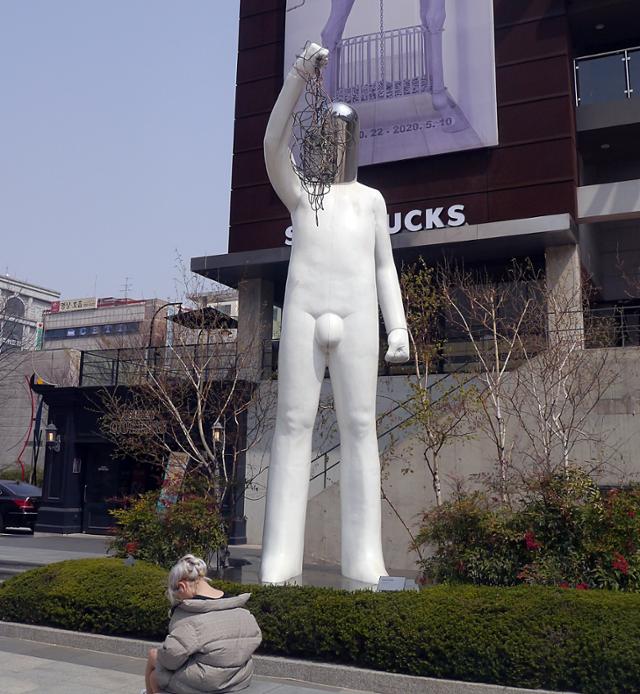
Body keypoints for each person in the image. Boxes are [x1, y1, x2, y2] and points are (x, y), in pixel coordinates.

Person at [260, 42, 410, 586]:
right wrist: (300, 75)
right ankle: (279, 556)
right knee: (292, 425)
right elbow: (272, 141)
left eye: (341, 135)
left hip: (355, 315)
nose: (332, 141)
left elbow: (383, 269)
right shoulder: (303, 193)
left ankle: (364, 557)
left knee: (361, 426)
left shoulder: (371, 200)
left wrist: (397, 325)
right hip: (304, 312)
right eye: (325, 134)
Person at [143, 554, 262, 694]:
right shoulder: (242, 611)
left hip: (208, 682)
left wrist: (158, 656)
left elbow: (171, 658)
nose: (179, 600)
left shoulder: (192, 620)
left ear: (182, 586)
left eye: (176, 595)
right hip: (240, 677)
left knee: (154, 671)